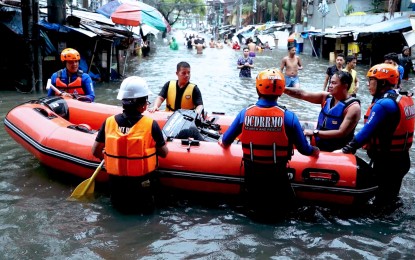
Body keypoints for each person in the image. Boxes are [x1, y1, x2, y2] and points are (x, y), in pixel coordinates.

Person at [220, 69, 320, 219]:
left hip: (252, 177)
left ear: (257, 88)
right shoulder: (289, 117)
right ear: (280, 91)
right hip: (277, 177)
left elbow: (225, 141)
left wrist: (220, 140)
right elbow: (304, 150)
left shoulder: (244, 114)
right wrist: (315, 150)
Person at [340, 63, 414, 209]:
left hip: (387, 163)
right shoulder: (400, 98)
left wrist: (346, 150)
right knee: (390, 198)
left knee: (381, 204)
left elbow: (366, 132)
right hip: (402, 159)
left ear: (383, 83)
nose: (368, 85)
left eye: (371, 81)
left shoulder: (384, 104)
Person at [91, 76, 169, 213]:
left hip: (117, 188)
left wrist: (111, 160)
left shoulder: (108, 122)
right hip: (141, 189)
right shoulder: (151, 125)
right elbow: (164, 153)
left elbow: (95, 151)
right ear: (143, 103)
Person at [284, 71, 361, 151]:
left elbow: (341, 133)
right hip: (320, 142)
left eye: (334, 83)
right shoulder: (326, 97)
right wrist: (283, 89)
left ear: (345, 86)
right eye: (330, 82)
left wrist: (315, 133)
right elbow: (301, 94)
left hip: (337, 149)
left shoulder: (353, 107)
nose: (330, 86)